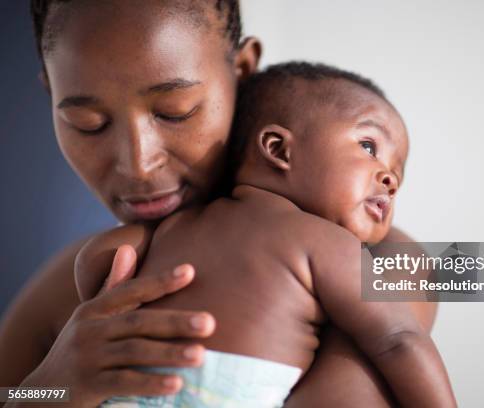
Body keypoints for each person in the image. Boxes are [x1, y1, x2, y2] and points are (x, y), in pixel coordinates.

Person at [0, 1, 437, 407]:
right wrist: (48, 388)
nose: (138, 164)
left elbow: (483, 274)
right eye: (87, 124)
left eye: (176, 111)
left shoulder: (388, 259)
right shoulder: (70, 279)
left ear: (243, 70)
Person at [74, 62, 456, 407]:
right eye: (370, 147)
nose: (390, 180)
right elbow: (398, 340)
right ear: (278, 149)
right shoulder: (325, 242)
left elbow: (98, 259)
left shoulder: (177, 225)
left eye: (397, 175)